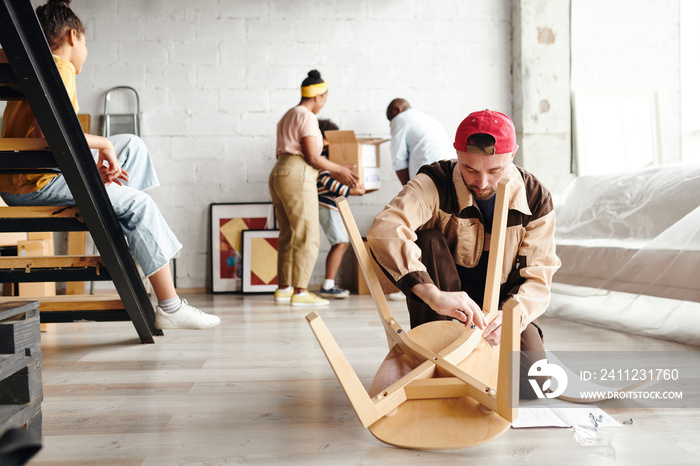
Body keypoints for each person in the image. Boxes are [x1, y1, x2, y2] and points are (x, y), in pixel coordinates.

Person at [0, 0, 219, 330]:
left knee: (132, 144)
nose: (86, 49)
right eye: (86, 42)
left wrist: (104, 156)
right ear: (73, 36)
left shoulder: (36, 63)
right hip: (33, 184)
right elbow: (51, 135)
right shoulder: (58, 67)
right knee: (140, 204)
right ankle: (170, 305)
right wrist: (103, 145)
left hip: (29, 176)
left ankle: (123, 218)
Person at [366, 109, 561, 398]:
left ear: (512, 155)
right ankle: (436, 352)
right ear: (457, 153)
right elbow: (386, 229)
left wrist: (511, 318)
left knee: (536, 388)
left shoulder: (536, 199)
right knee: (428, 239)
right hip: (444, 302)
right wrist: (433, 295)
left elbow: (538, 279)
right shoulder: (435, 180)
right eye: (470, 169)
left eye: (495, 171)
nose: (482, 182)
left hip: (500, 307)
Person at [269, 71, 358, 307]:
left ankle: (284, 289)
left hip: (279, 172)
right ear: (318, 96)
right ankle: (300, 292)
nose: (323, 105)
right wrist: (340, 170)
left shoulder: (287, 115)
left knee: (288, 234)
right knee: (307, 234)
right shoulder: (307, 116)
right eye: (324, 99)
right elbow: (312, 156)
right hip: (297, 174)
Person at [316, 119, 366, 299]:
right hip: (325, 204)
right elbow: (324, 179)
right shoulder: (321, 155)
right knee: (341, 242)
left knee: (340, 242)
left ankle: (329, 284)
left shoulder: (327, 155)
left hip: (330, 204)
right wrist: (350, 190)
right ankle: (328, 285)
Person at [386, 98, 453, 185]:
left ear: (397, 110)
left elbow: (399, 160)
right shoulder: (427, 118)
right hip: (451, 171)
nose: (391, 124)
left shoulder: (399, 119)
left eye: (390, 119)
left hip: (429, 174)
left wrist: (408, 190)